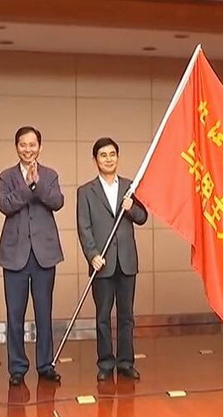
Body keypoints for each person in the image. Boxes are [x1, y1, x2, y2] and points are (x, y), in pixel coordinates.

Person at [0, 126, 64, 386]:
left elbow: (57, 201)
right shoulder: (7, 176)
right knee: (15, 314)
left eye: (32, 144)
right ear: (16, 147)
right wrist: (27, 186)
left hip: (44, 254)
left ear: (40, 147)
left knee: (44, 313)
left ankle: (45, 365)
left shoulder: (50, 175)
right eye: (23, 145)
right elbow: (5, 205)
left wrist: (37, 184)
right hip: (14, 255)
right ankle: (17, 368)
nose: (28, 149)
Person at [77, 137, 148, 381]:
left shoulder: (130, 187)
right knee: (103, 317)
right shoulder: (86, 192)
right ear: (95, 160)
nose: (108, 159)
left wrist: (131, 208)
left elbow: (143, 217)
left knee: (126, 316)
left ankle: (126, 362)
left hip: (127, 261)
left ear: (118, 157)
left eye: (112, 154)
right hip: (102, 263)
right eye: (103, 155)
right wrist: (92, 255)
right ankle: (106, 363)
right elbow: (84, 227)